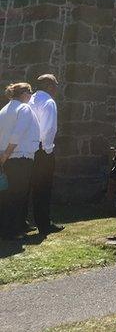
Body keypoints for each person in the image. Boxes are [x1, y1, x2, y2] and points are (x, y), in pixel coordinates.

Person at [0, 83, 40, 240]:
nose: (31, 96)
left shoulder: (4, 110)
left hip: (7, 157)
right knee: (18, 195)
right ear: (24, 93)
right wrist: (7, 154)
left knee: (7, 194)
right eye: (30, 92)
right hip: (19, 156)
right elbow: (17, 134)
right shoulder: (24, 108)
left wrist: (4, 156)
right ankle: (12, 230)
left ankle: (6, 228)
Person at [28, 74, 61, 234]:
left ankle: (24, 221)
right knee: (43, 188)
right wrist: (48, 149)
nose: (57, 88)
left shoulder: (30, 99)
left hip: (28, 149)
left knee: (29, 186)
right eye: (55, 85)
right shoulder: (48, 101)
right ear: (49, 86)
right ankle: (44, 223)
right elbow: (48, 129)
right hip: (42, 150)